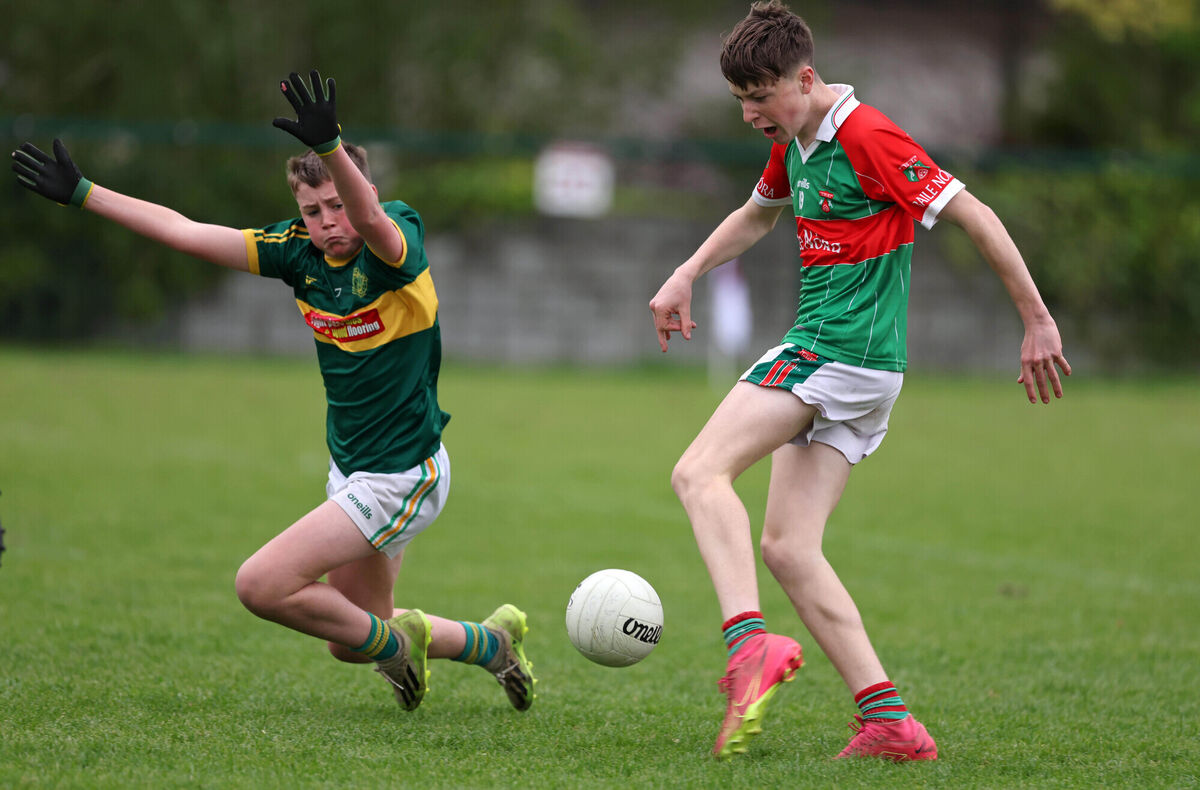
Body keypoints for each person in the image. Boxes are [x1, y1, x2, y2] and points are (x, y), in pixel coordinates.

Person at [11, 70, 536, 713]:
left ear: (361, 190)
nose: (326, 221)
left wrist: (331, 147)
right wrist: (86, 193)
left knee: (260, 584)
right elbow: (185, 231)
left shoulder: (394, 242)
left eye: (336, 204)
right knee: (349, 638)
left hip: (402, 476)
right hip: (352, 471)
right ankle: (491, 644)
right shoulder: (297, 254)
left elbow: (370, 217)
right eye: (312, 211)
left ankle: (398, 649)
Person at [649, 2, 1070, 762]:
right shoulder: (798, 137)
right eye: (740, 100)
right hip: (863, 370)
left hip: (835, 355)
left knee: (698, 472)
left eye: (761, 96)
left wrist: (1037, 320)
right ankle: (891, 722)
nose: (750, 114)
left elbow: (973, 213)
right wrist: (686, 272)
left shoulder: (867, 134)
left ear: (805, 79)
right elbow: (757, 215)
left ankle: (749, 646)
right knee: (789, 547)